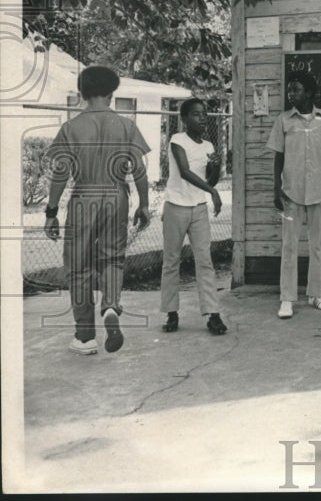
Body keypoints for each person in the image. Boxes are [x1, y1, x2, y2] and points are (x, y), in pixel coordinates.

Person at [43, 66, 151, 355]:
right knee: (113, 259)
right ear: (112, 94)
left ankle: (85, 336)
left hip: (84, 196)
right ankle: (111, 308)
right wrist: (144, 204)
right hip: (117, 195)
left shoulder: (71, 127)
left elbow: (60, 174)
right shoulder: (126, 126)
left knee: (78, 267)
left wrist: (51, 212)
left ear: (82, 93)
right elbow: (139, 171)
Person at [266, 72, 321, 318]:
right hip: (291, 193)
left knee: (317, 245)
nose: (291, 94)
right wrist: (277, 188)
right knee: (289, 245)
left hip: (319, 191)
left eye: (296, 90)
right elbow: (278, 156)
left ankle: (316, 295)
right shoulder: (284, 120)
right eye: (290, 90)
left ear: (309, 93)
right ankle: (287, 299)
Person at [160, 98, 227, 336]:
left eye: (204, 114)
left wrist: (215, 168)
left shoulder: (208, 145)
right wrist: (213, 192)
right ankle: (171, 312)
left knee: (205, 261)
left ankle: (213, 314)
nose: (202, 118)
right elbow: (185, 172)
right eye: (196, 114)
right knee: (171, 261)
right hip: (175, 207)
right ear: (185, 118)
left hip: (198, 208)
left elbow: (209, 181)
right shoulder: (177, 140)